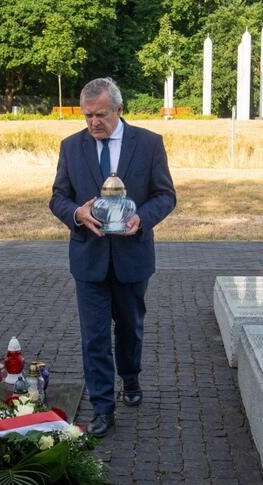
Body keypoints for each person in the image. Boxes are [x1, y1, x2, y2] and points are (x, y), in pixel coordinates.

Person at [49, 78, 176, 437]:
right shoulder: (71, 147)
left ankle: (131, 377)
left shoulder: (149, 144)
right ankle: (103, 407)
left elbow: (165, 196)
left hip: (132, 257)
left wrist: (142, 218)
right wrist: (77, 213)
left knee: (130, 328)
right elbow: (58, 197)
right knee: (94, 337)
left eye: (100, 115)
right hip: (88, 259)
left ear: (119, 110)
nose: (93, 123)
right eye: (87, 115)